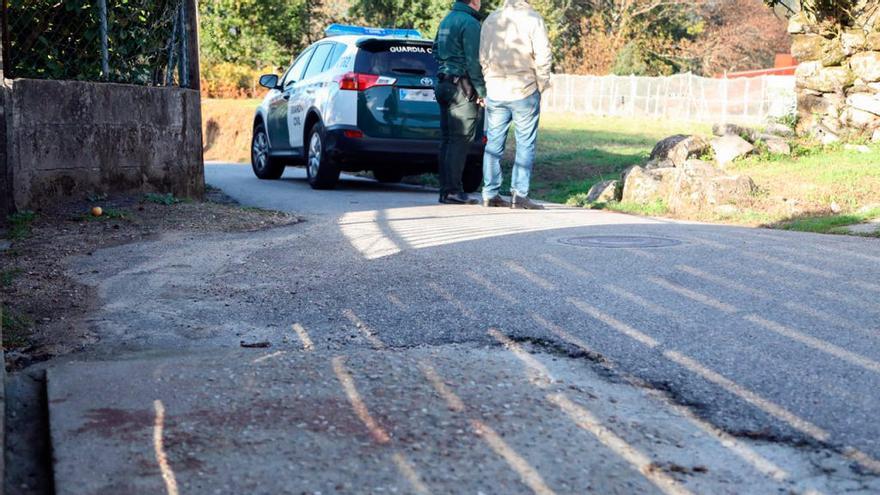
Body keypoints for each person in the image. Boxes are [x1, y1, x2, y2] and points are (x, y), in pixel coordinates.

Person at [479, 0, 552, 209]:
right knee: (525, 143)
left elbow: (482, 55)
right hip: (524, 89)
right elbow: (543, 55)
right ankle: (519, 194)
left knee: (493, 144)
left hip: (495, 89)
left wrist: (488, 79)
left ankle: (490, 192)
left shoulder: (491, 19)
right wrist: (542, 84)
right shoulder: (533, 18)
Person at [433, 0, 486, 205]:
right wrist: (482, 91)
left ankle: (445, 191)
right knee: (459, 140)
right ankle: (454, 191)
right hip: (461, 87)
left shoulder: (446, 20)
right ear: (474, 1)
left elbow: (435, 49)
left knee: (447, 140)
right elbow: (474, 62)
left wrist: (448, 65)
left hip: (444, 83)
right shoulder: (470, 23)